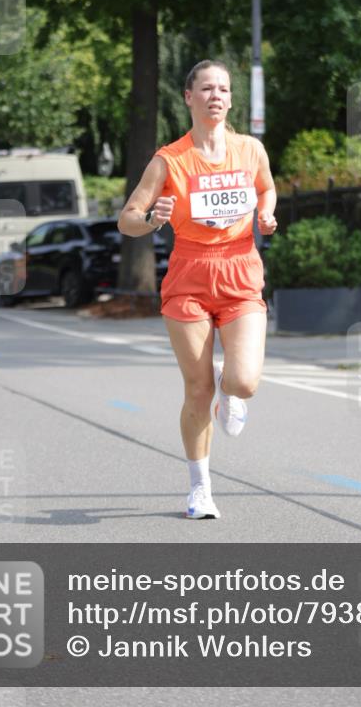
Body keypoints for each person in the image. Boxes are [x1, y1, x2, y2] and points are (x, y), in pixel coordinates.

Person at [118, 59, 277, 519]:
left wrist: (266, 213)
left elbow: (266, 190)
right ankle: (200, 488)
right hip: (189, 275)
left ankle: (231, 394)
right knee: (197, 388)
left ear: (231, 99)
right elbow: (127, 220)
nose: (216, 96)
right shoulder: (169, 160)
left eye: (224, 89)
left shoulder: (250, 150)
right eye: (207, 88)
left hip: (240, 271)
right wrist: (152, 218)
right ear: (188, 97)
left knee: (243, 382)